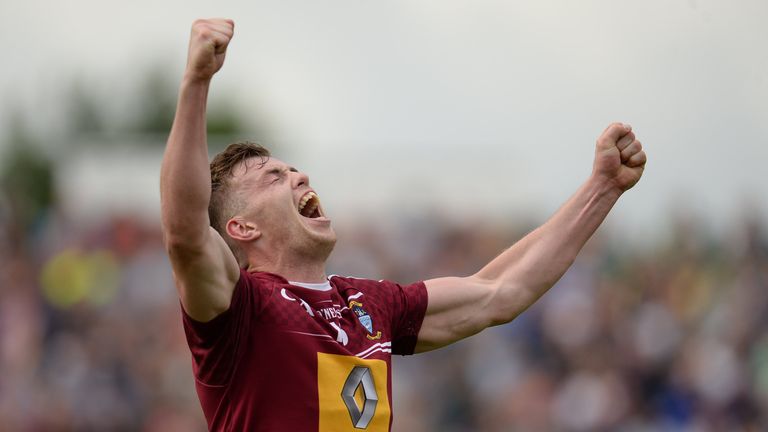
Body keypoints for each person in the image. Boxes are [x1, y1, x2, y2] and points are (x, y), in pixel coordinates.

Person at [160, 18, 647, 432]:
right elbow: (184, 233)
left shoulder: (372, 303)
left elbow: (501, 290)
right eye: (273, 177)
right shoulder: (239, 309)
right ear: (241, 228)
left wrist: (603, 187)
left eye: (293, 169)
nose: (299, 175)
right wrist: (197, 80)